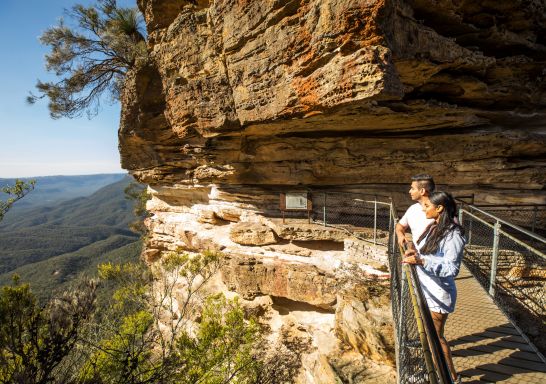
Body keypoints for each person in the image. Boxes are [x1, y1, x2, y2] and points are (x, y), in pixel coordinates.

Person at [402, 191, 466, 383]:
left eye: (427, 206)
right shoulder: (435, 226)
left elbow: (451, 268)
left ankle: (451, 379)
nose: (423, 209)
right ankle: (439, 375)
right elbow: (428, 252)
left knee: (436, 339)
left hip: (438, 292)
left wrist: (421, 261)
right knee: (431, 338)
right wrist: (414, 250)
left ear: (439, 208)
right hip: (427, 287)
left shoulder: (453, 233)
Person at [396, 174, 436, 249]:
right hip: (416, 257)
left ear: (422, 191)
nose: (409, 191)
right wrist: (400, 235)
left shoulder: (438, 211)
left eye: (412, 188)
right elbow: (400, 225)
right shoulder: (412, 209)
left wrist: (422, 260)